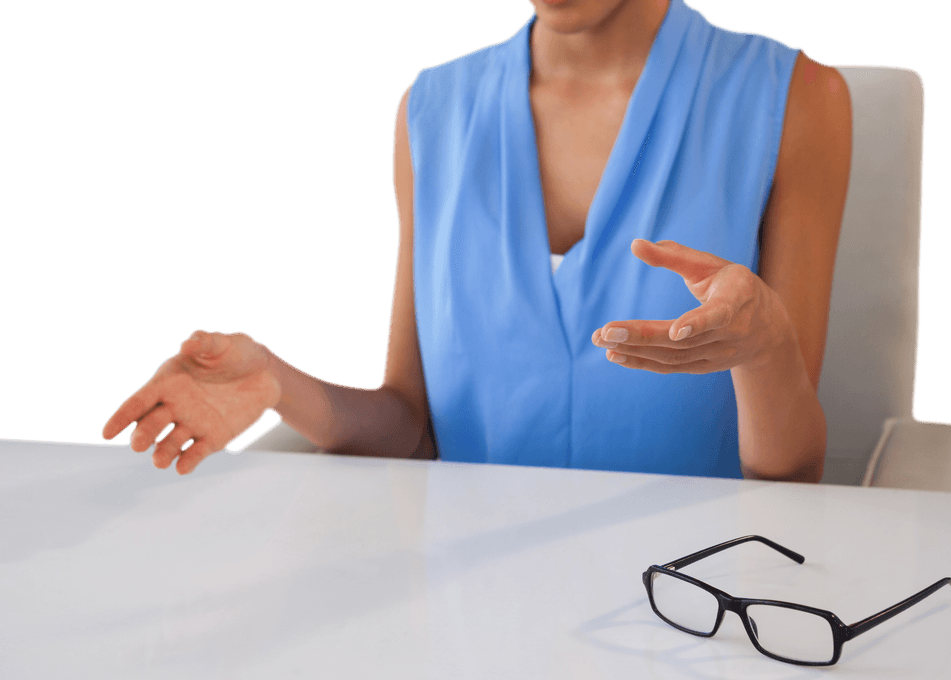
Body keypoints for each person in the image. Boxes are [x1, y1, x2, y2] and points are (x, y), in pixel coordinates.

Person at [102, 0, 851, 483]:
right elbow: (409, 426)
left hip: (700, 596)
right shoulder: (430, 112)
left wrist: (765, 349)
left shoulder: (797, 98)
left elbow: (794, 471)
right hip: (473, 603)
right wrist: (274, 382)